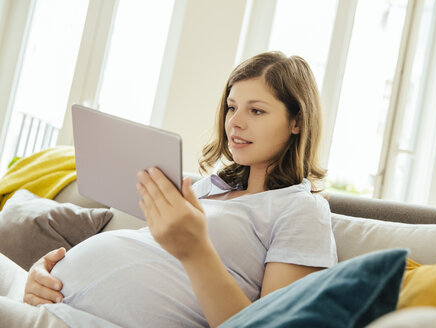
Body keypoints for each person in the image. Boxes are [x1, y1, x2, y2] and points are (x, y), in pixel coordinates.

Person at [0, 51, 337, 327]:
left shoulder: (302, 210)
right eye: (232, 107)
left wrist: (196, 249)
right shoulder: (207, 188)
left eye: (257, 110)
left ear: (297, 122)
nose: (235, 121)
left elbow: (269, 325)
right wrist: (40, 276)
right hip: (49, 302)